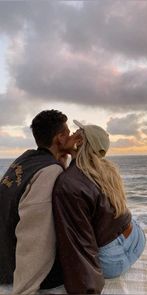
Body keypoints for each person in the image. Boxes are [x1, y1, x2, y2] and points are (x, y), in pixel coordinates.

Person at [52, 120, 146, 294]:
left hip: (113, 261)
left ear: (80, 140)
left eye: (76, 131)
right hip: (137, 239)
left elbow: (77, 242)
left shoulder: (69, 183)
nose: (71, 134)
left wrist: (84, 288)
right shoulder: (107, 170)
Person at [0, 109, 80, 294]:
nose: (72, 137)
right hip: (18, 268)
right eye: (68, 133)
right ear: (60, 138)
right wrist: (24, 290)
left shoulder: (27, 159)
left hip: (4, 254)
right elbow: (35, 235)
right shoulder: (50, 172)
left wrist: (64, 161)